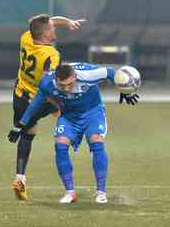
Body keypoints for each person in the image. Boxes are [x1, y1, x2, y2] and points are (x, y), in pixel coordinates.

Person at [8, 62, 139, 203]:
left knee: (96, 140)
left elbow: (110, 72)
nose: (66, 88)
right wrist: (20, 125)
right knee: (60, 145)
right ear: (56, 80)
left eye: (70, 84)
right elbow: (36, 102)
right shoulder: (47, 82)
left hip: (92, 112)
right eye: (62, 85)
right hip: (69, 115)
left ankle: (101, 193)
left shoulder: (88, 74)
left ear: (75, 76)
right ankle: (70, 193)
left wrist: (125, 91)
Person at [8, 14, 85, 201]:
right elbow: (48, 86)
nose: (54, 29)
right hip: (38, 100)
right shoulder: (51, 55)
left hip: (19, 95)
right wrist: (58, 105)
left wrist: (67, 22)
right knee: (70, 103)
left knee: (28, 134)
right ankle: (75, 132)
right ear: (45, 35)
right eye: (52, 28)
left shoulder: (26, 37)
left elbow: (40, 22)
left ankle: (20, 178)